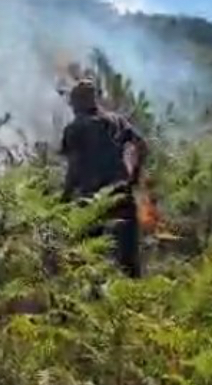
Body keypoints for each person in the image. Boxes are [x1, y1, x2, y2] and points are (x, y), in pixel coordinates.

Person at [60, 80, 149, 278]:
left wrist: (62, 203)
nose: (72, 106)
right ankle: (137, 303)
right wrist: (133, 178)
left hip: (91, 201)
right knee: (129, 262)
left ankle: (99, 304)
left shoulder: (74, 129)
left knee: (90, 260)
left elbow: (73, 170)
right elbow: (142, 145)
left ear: (79, 102)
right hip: (121, 194)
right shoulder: (117, 120)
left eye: (73, 101)